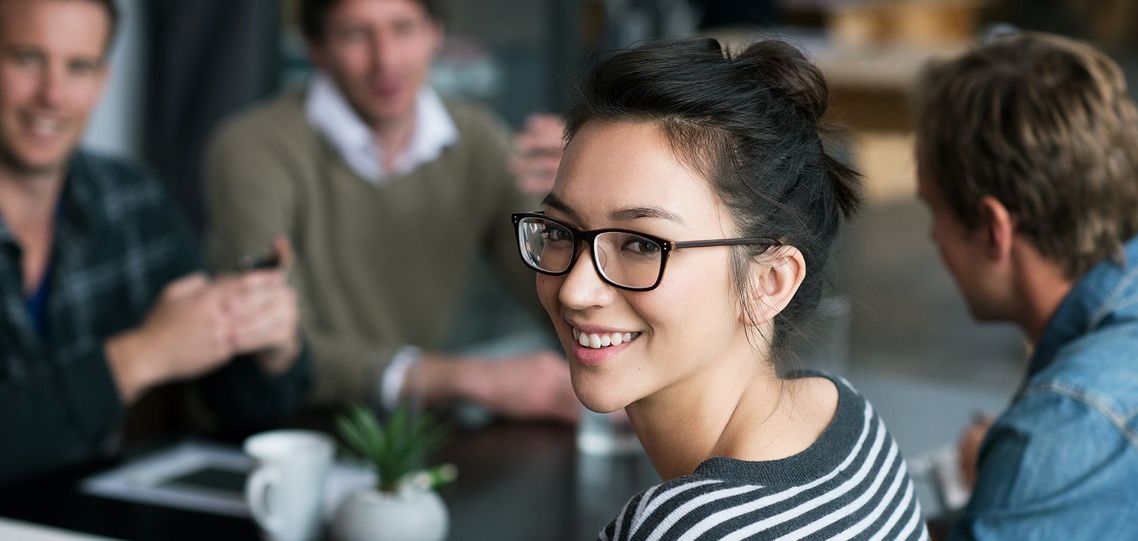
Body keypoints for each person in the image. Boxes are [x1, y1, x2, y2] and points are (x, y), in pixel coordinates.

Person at [516, 37, 928, 539]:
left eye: (643, 246)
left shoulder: (682, 528)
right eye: (560, 232)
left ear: (769, 282)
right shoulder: (847, 420)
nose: (576, 291)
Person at [205, 0, 577, 422]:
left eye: (403, 28)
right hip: (283, 431)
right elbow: (276, 343)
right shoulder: (253, 147)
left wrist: (582, 207)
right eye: (355, 34)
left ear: (435, 33)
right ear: (317, 49)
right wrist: (469, 377)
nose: (386, 60)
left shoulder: (478, 141)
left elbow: (557, 298)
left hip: (410, 435)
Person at [0, 0, 308, 484]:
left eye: (79, 67)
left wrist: (266, 345)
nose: (52, 95)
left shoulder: (134, 200)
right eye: (26, 59)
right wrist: (141, 356)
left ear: (102, 81)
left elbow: (239, 410)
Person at [914, 32, 1138, 539]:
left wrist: (1024, 469)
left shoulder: (1063, 425)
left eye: (935, 211)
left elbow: (1075, 429)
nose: (930, 236)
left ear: (994, 228)